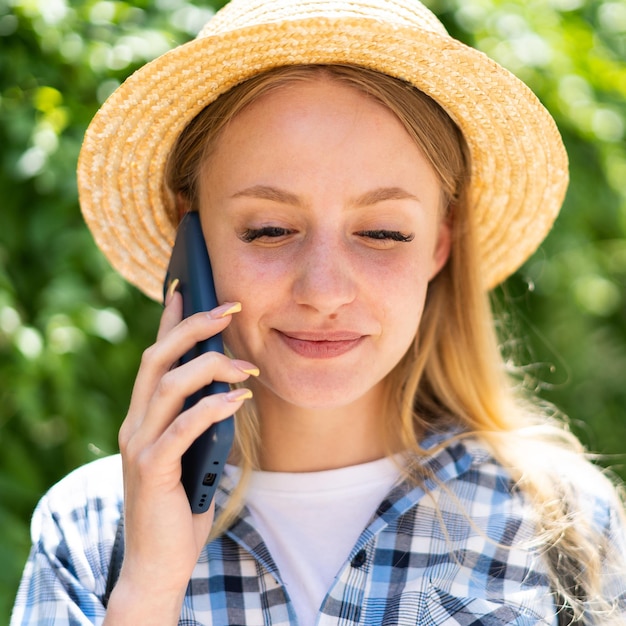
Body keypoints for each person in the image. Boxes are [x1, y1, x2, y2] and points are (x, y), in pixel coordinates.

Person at [11, 0, 626, 624]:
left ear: (441, 242)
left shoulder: (564, 528)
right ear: (187, 237)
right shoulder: (91, 533)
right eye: (271, 229)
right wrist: (148, 589)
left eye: (383, 233)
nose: (324, 290)